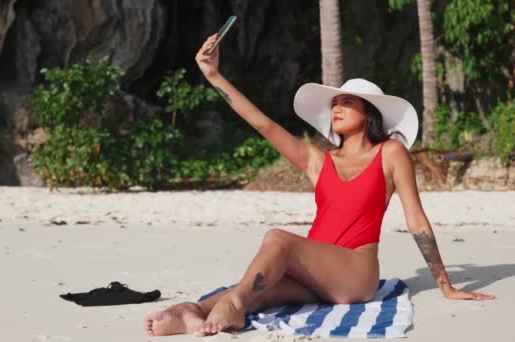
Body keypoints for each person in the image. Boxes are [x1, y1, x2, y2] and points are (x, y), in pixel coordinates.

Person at [143, 34, 495, 337]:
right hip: (315, 271)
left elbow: (416, 219)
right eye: (335, 103)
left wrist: (445, 286)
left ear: (370, 113)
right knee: (264, 288)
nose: (337, 107)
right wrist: (214, 76)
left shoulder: (391, 153)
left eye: (347, 102)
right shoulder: (320, 161)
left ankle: (232, 306)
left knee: (277, 240)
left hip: (356, 274)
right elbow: (263, 125)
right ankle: (190, 310)